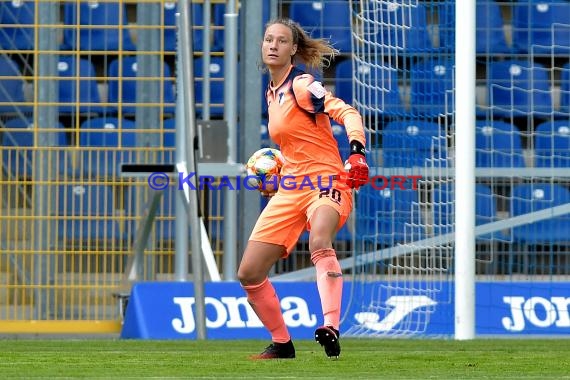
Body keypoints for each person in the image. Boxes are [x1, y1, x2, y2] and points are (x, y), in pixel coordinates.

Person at [237, 18, 369, 360]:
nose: (272, 45)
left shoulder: (302, 84)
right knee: (249, 273)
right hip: (292, 187)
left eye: (281, 41)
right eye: (268, 39)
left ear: (293, 49)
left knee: (320, 240)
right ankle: (282, 344)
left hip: (327, 180)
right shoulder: (271, 92)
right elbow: (297, 144)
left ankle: (331, 327)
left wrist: (356, 153)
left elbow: (347, 112)